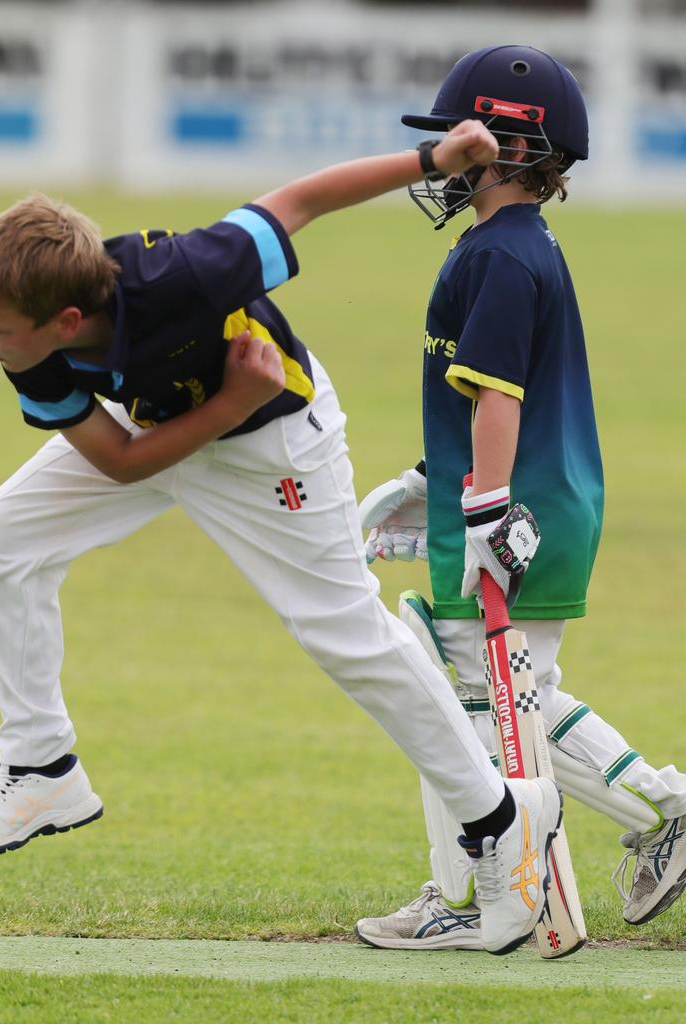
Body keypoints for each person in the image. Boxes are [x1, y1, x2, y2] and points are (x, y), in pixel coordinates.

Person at [0, 124, 562, 956]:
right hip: (175, 421)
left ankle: (500, 817)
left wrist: (430, 162)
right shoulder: (32, 352)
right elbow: (120, 463)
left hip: (275, 444)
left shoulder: (183, 272)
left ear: (68, 317)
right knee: (0, 539)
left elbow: (302, 200)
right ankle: (44, 771)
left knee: (347, 639)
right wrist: (219, 407)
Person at [354, 45, 686, 951]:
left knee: (487, 688)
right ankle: (489, 877)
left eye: (461, 138)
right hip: (528, 497)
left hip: (519, 508)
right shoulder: (512, 245)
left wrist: (488, 506)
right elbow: (490, 394)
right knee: (474, 680)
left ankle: (650, 814)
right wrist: (436, 480)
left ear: (502, 147)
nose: (446, 157)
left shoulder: (503, 256)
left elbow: (498, 391)